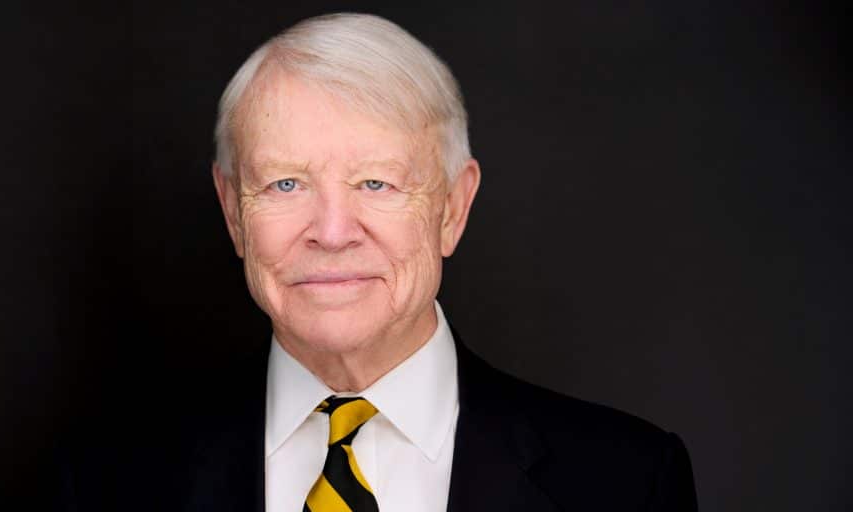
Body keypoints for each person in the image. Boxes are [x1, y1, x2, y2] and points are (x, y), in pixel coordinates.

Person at [60, 12, 697, 512]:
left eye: (377, 185)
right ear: (233, 212)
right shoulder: (110, 481)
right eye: (285, 184)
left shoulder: (627, 483)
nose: (332, 233)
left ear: (453, 208)